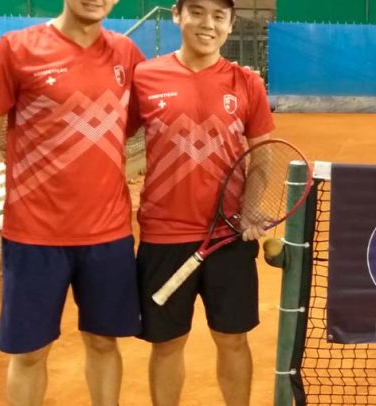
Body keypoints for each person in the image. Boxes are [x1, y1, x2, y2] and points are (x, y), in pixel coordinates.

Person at [0, 0, 144, 405]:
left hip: (109, 235)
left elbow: (134, 121)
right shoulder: (16, 48)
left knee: (104, 343)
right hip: (33, 236)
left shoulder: (127, 54)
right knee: (29, 353)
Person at [131, 0, 275, 404]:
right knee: (167, 344)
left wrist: (251, 206)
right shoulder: (145, 77)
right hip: (163, 236)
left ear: (230, 24)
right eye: (196, 12)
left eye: (219, 16)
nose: (207, 23)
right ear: (177, 15)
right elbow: (112, 137)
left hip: (228, 236)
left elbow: (262, 153)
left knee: (233, 339)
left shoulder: (247, 82)